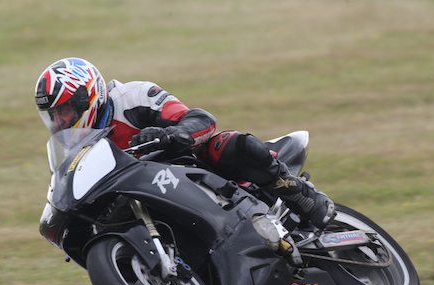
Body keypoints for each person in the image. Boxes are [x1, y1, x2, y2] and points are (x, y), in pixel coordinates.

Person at [35, 57, 335, 228]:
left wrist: (169, 134)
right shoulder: (76, 148)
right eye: (53, 116)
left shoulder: (131, 97)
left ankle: (301, 195)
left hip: (190, 167)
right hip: (148, 193)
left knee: (230, 145)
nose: (60, 121)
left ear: (87, 98)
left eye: (64, 111)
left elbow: (200, 119)